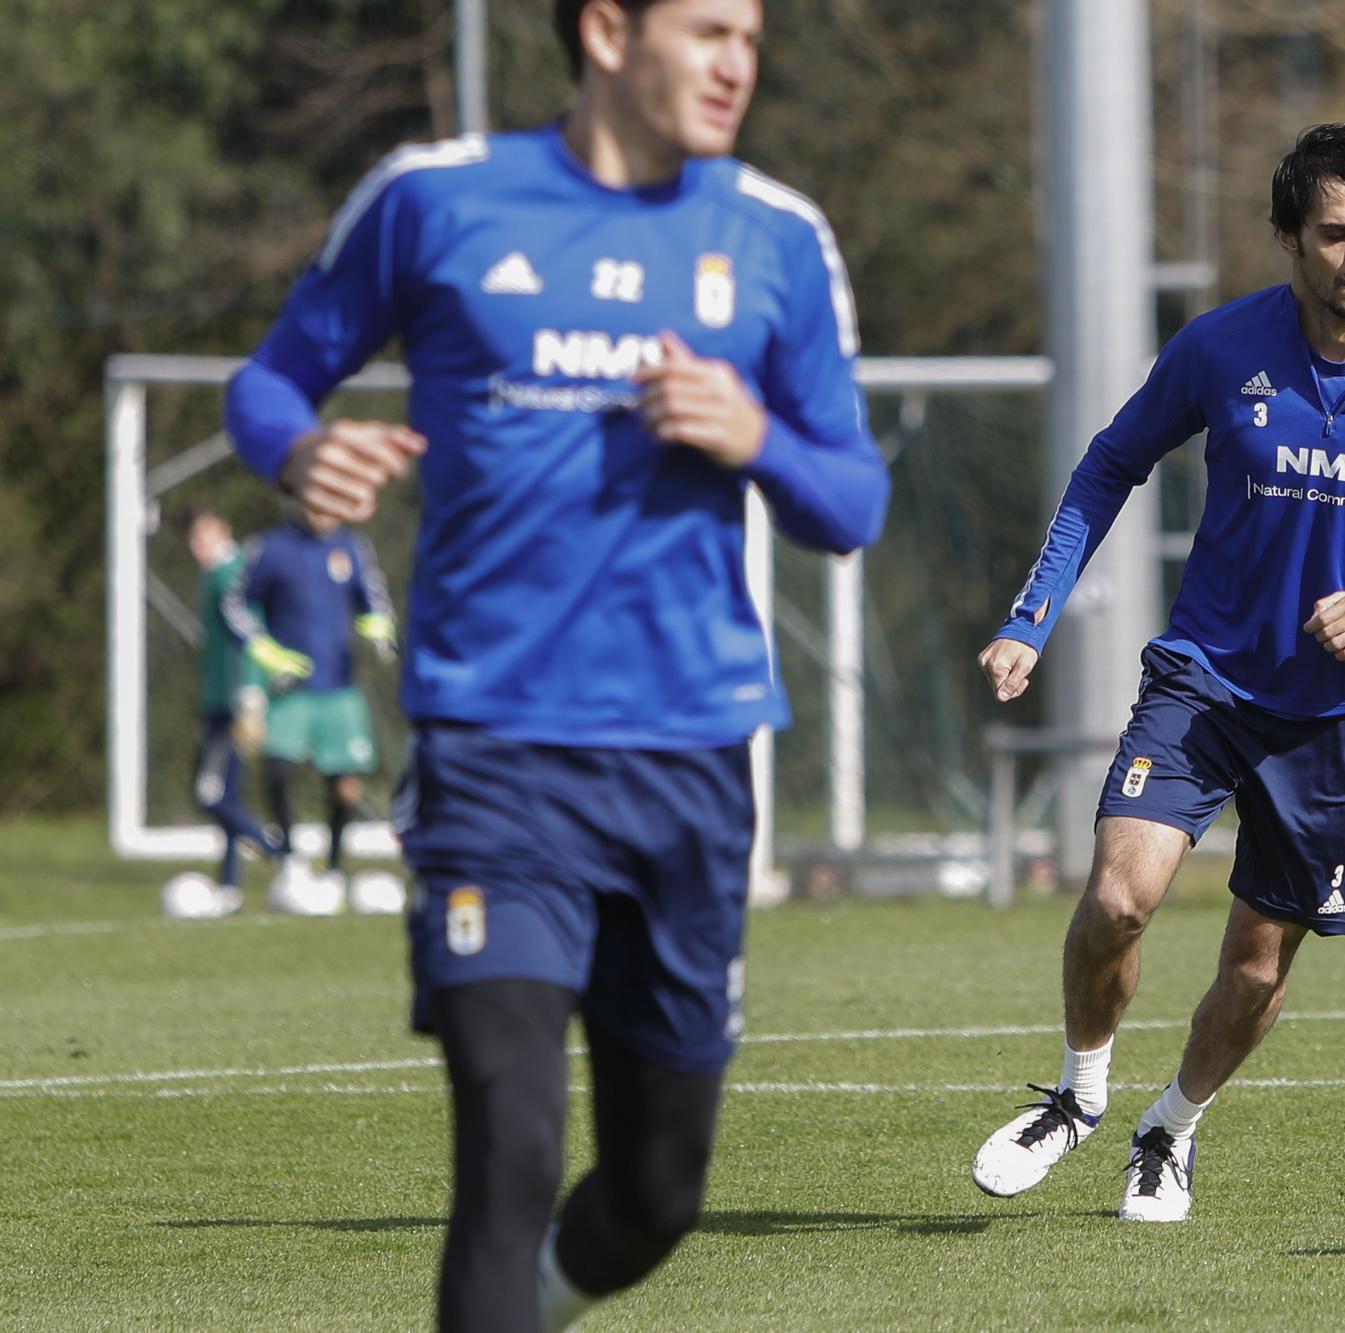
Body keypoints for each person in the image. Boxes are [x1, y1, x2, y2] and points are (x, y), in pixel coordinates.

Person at [222, 0, 889, 1326]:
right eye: (705, 30)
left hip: (693, 764)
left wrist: (753, 433)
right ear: (604, 31)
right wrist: (302, 453)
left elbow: (851, 504)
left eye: (748, 34)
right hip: (494, 757)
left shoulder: (775, 236)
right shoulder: (434, 202)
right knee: (512, 1146)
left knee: (656, 1191)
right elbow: (269, 383)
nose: (737, 62)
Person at [970, 124, 1345, 1223]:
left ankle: (1166, 1131)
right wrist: (1032, 617)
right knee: (1118, 900)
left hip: (1339, 716)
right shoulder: (1220, 350)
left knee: (1258, 965)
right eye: (1332, 233)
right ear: (1286, 238)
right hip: (1206, 680)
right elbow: (1107, 465)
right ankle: (1078, 1095)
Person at [223, 507, 403, 916]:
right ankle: (289, 859)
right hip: (291, 687)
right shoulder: (271, 548)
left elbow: (373, 599)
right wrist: (265, 651)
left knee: (344, 785)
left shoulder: (352, 547)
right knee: (278, 771)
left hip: (339, 688)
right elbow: (235, 604)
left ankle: (336, 870)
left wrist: (380, 631)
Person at [163, 504, 286, 920]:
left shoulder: (233, 573)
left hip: (236, 702)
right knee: (227, 794)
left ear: (224, 530)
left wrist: (250, 696)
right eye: (194, 539)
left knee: (209, 793)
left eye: (206, 535)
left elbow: (248, 636)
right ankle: (231, 889)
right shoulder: (215, 574)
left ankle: (279, 853)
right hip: (218, 702)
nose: (199, 546)